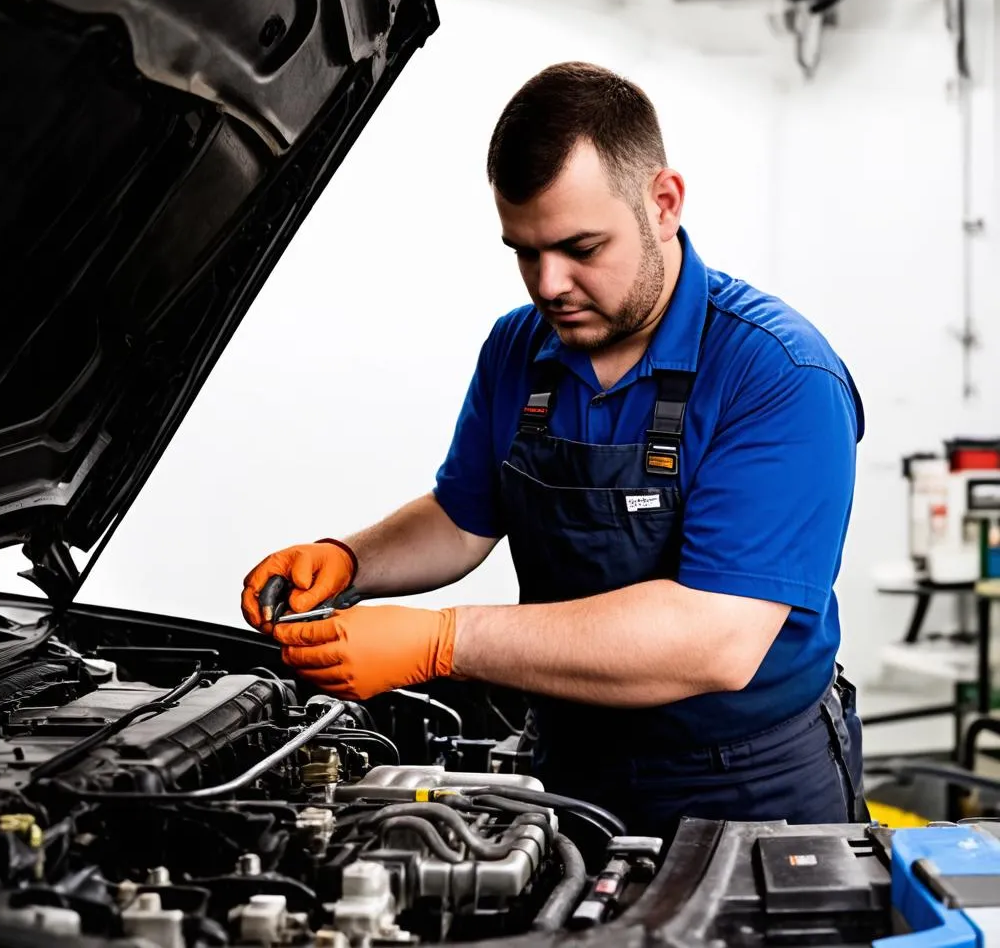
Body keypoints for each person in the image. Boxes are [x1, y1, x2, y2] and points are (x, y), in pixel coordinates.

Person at [240, 61, 868, 839]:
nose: (549, 283)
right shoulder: (519, 347)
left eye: (580, 247)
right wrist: (351, 560)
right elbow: (463, 516)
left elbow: (715, 639)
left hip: (748, 783)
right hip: (571, 764)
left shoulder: (777, 373)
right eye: (525, 252)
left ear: (663, 203)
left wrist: (443, 641)